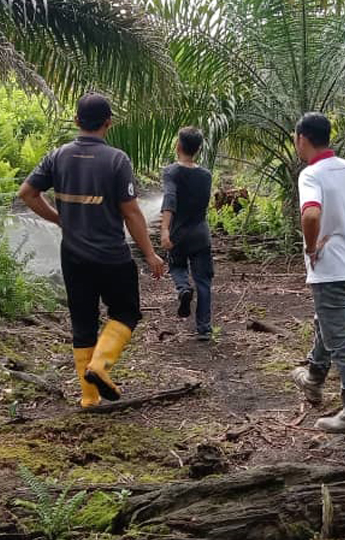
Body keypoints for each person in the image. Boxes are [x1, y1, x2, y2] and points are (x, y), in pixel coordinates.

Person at [18, 93, 166, 408]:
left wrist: (59, 219)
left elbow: (28, 193)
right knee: (126, 312)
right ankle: (100, 365)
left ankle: (89, 398)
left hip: (72, 256)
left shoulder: (56, 156)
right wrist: (151, 254)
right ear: (108, 123)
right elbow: (131, 213)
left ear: (76, 122)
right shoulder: (117, 160)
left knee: (82, 322)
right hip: (111, 255)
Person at [289, 112, 345, 433]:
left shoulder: (312, 175)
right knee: (328, 320)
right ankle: (313, 376)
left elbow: (311, 215)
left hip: (331, 267)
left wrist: (311, 249)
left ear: (302, 139)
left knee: (341, 336)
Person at [161, 127, 215, 340]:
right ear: (199, 149)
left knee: (176, 266)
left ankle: (183, 288)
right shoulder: (206, 175)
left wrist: (165, 229)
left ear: (178, 146)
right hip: (201, 234)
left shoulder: (171, 172)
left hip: (179, 234)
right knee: (203, 281)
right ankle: (204, 329)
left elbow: (170, 199)